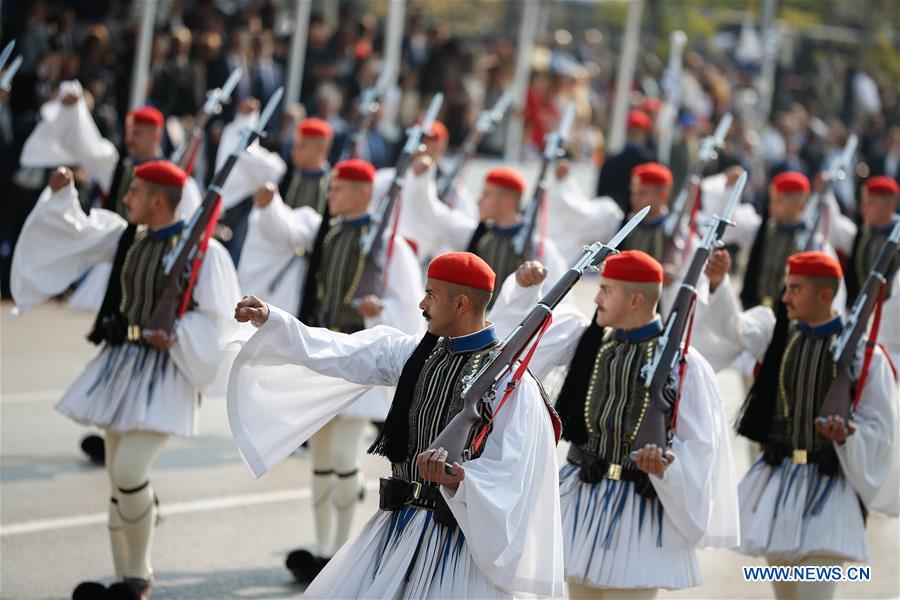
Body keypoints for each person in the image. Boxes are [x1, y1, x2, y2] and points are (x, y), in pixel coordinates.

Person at [228, 252, 564, 598]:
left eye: (431, 294)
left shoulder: (510, 382)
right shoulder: (415, 354)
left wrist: (462, 480)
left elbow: (515, 468)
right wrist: (275, 321)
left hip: (456, 540)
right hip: (398, 523)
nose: (421, 303)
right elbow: (343, 352)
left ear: (461, 303)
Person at [10, 162, 243, 598]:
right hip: (122, 366)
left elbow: (217, 320)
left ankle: (138, 577)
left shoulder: (203, 252)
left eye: (134, 192)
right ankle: (123, 577)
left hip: (167, 371)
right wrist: (62, 196)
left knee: (129, 469)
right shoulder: (126, 239)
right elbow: (72, 234)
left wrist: (176, 333)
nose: (126, 198)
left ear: (158, 200)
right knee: (118, 478)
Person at [489, 251, 738, 598]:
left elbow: (699, 446)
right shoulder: (587, 340)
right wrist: (524, 289)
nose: (596, 298)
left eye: (606, 290)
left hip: (639, 513)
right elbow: (516, 347)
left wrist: (668, 468)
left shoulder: (684, 365)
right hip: (581, 502)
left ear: (636, 299)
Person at [239, 158, 424, 583]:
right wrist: (269, 207)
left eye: (339, 189)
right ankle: (322, 549)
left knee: (342, 456)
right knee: (321, 456)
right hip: (323, 355)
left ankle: (342, 555)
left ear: (362, 193)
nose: (331, 195)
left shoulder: (388, 244)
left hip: (361, 357)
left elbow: (411, 308)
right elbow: (283, 231)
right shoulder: (327, 231)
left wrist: (380, 312)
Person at [702, 250, 899, 600]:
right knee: (786, 595)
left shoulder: (864, 355)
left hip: (828, 492)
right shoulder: (776, 336)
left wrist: (850, 436)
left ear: (825, 295)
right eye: (787, 287)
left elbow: (882, 429)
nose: (785, 297)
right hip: (779, 485)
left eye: (796, 289)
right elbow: (732, 329)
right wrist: (719, 283)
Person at [396, 164, 566, 309]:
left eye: (486, 194)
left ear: (509, 201)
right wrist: (423, 177)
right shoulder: (476, 235)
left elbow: (554, 299)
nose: (479, 201)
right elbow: (432, 213)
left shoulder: (539, 247)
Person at [595, 109, 654, 212]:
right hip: (633, 221)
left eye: (635, 133)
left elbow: (599, 197)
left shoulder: (610, 161)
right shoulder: (649, 165)